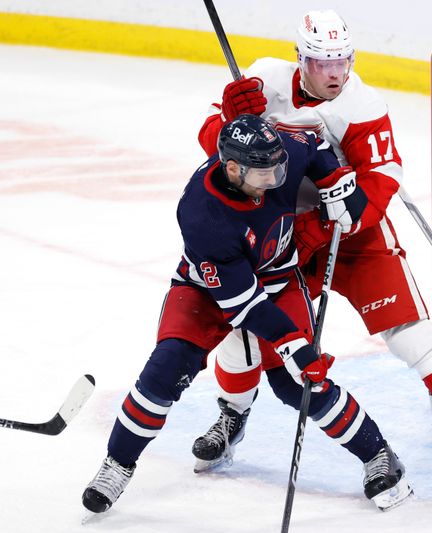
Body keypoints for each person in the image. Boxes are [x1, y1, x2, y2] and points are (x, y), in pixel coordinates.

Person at [193, 9, 432, 492]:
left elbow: (382, 179)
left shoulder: (362, 104)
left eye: (342, 60)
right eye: (323, 62)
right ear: (301, 59)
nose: (336, 72)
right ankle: (232, 416)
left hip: (353, 238)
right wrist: (228, 122)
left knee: (408, 332)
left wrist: (351, 211)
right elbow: (213, 147)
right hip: (282, 239)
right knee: (246, 331)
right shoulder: (263, 79)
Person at [81, 115, 412, 514]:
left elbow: (314, 143)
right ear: (233, 168)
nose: (276, 179)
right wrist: (297, 346)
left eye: (279, 169)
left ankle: (379, 454)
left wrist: (335, 182)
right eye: (265, 173)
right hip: (208, 290)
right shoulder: (202, 215)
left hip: (279, 279)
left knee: (298, 384)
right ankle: (117, 464)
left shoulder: (278, 153)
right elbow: (247, 307)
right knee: (165, 371)